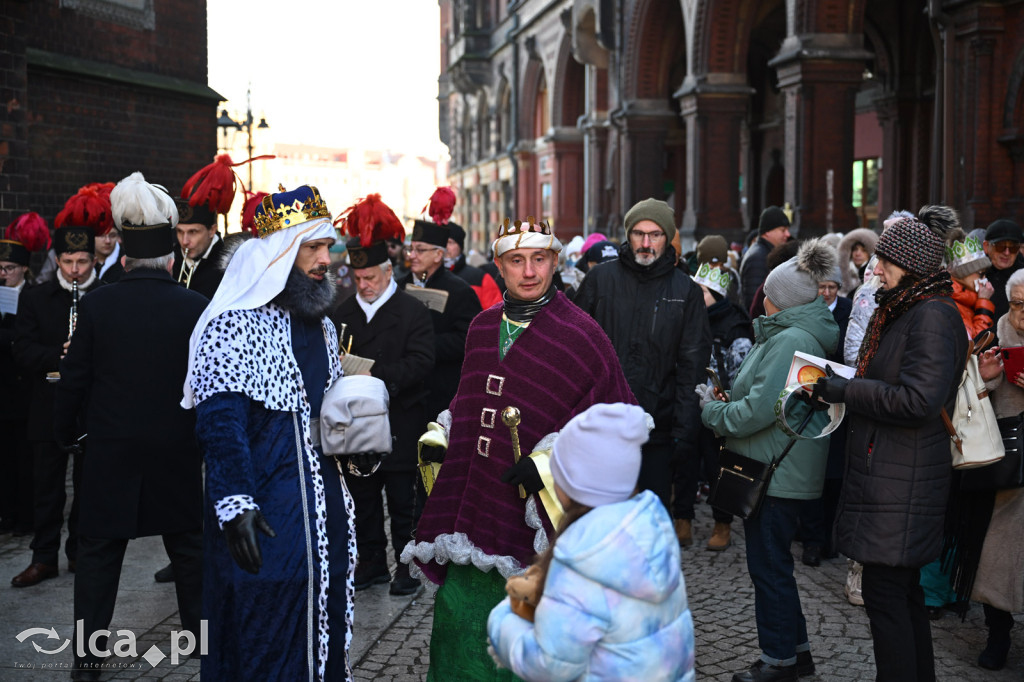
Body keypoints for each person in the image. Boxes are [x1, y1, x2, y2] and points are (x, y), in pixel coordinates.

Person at [402, 216, 636, 681]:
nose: (529, 272)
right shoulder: (483, 327)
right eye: (516, 261)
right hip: (475, 507)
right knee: (460, 619)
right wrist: (442, 437)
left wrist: (550, 464)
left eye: (539, 260)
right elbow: (469, 403)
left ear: (554, 263)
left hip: (541, 522)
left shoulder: (581, 334)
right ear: (499, 267)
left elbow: (617, 419)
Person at [183, 185, 356, 680]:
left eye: (328, 247)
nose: (326, 259)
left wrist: (358, 446)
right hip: (265, 519)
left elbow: (328, 414)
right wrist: (235, 503)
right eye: (313, 248)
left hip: (326, 517)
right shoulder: (229, 325)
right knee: (264, 639)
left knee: (323, 635)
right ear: (278, 252)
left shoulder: (320, 325)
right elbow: (220, 427)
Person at [54, 172, 207, 681]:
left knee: (98, 555)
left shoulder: (96, 305)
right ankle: (203, 645)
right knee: (189, 550)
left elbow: (73, 381)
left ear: (123, 256)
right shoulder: (195, 307)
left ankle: (87, 661)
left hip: (110, 450)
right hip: (177, 449)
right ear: (170, 257)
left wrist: (66, 434)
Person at [815, 215, 966, 682]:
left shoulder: (933, 316)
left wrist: (848, 390)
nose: (876, 269)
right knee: (899, 592)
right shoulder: (908, 308)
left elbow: (920, 400)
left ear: (911, 265)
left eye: (885, 260)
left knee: (886, 593)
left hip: (905, 478)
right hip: (894, 474)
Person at [702, 239, 839, 682]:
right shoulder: (794, 333)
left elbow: (759, 412)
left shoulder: (791, 338)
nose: (760, 295)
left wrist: (712, 412)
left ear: (777, 298)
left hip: (776, 475)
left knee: (769, 570)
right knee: (775, 566)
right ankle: (796, 655)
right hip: (782, 470)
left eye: (766, 290)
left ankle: (777, 662)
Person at [487, 403, 695, 682]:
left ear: (573, 485)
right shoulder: (652, 531)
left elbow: (551, 665)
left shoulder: (581, 561)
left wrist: (503, 620)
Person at [574, 198, 711, 527]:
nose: (646, 243)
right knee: (598, 520)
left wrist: (684, 430)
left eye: (655, 234)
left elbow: (692, 364)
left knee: (649, 522)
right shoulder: (600, 281)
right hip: (601, 422)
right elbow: (575, 351)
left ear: (667, 238)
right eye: (638, 233)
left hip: (658, 428)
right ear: (627, 235)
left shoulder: (685, 291)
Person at [331, 194, 435, 596]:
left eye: (371, 278)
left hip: (401, 418)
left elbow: (422, 361)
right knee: (363, 498)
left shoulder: (411, 311)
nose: (365, 286)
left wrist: (377, 373)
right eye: (359, 280)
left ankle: (406, 567)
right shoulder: (342, 314)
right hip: (357, 424)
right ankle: (371, 562)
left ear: (388, 271)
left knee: (403, 499)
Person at [10, 185, 109, 588]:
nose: (75, 270)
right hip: (46, 405)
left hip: (89, 408)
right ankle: (44, 556)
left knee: (87, 486)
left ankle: (79, 553)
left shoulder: (105, 298)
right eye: (67, 261)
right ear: (56, 259)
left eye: (82, 261)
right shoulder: (36, 298)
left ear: (93, 260)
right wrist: (60, 354)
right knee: (47, 487)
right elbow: (22, 349)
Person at [971, 267, 1024, 670]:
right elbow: (966, 402)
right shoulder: (992, 335)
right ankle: (998, 635)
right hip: (1003, 461)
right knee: (996, 554)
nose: (1023, 314)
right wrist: (986, 381)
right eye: (1019, 304)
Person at [398, 192, 482, 428]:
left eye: (420, 250)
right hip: (404, 392)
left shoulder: (460, 291)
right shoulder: (399, 286)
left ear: (438, 254)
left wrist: (424, 344)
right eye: (410, 249)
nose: (412, 255)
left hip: (442, 393)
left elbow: (468, 339)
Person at [690, 263, 752, 551]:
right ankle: (682, 517)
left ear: (715, 293)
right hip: (692, 403)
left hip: (722, 407)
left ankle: (722, 523)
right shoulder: (692, 318)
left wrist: (725, 400)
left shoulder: (734, 326)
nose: (695, 295)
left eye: (701, 290)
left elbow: (742, 372)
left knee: (719, 467)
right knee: (691, 461)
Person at [798, 264, 853, 567]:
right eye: (822, 287)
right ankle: (811, 540)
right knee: (811, 472)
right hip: (812, 398)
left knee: (834, 477)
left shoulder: (847, 309)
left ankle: (830, 537)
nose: (827, 292)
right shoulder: (806, 310)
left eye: (832, 287)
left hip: (841, 399)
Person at [0, 218, 47, 537]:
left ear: (23, 270)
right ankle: (7, 514)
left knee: (25, 460)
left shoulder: (33, 296)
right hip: (3, 390)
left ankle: (26, 517)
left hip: (25, 390)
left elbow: (27, 342)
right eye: (0, 267)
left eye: (9, 268)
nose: (3, 273)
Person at [740, 206, 791, 310]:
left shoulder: (764, 253)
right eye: (783, 230)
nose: (787, 234)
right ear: (768, 231)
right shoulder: (758, 258)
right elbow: (754, 302)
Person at [445, 220, 502, 309]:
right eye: (442, 243)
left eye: (450, 242)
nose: (445, 248)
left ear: (460, 247)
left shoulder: (480, 278)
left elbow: (495, 315)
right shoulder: (422, 277)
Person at [983, 218, 1024, 321]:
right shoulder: (974, 275)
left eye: (1013, 248)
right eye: (1000, 246)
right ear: (986, 246)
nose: (1006, 253)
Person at [837, 228, 878, 297]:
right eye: (855, 249)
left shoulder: (874, 276)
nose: (858, 254)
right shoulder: (841, 275)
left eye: (864, 250)